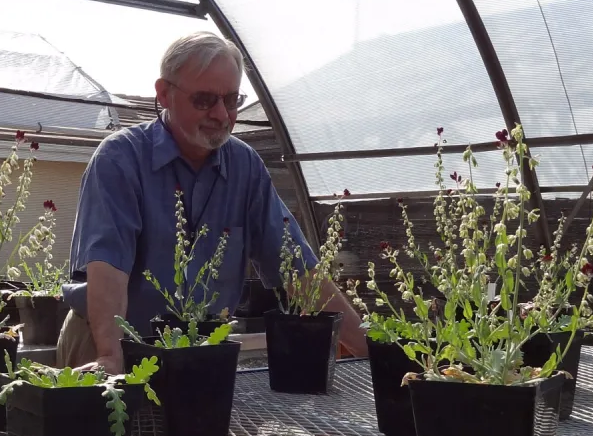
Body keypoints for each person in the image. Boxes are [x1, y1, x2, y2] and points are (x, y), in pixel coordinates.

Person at [57, 32, 368, 373]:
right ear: (164, 94)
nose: (221, 114)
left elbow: (299, 270)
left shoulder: (244, 167)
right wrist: (110, 357)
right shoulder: (120, 159)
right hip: (110, 340)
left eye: (231, 100)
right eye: (204, 100)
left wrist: (373, 351)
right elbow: (109, 271)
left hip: (198, 351)